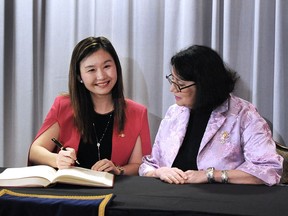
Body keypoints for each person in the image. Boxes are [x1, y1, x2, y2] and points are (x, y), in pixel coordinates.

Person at [139, 45, 283, 185]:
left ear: (204, 85)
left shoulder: (244, 115)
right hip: (170, 197)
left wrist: (210, 175)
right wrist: (160, 172)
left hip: (222, 201)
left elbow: (268, 170)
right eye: (172, 80)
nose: (172, 89)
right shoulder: (174, 113)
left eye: (180, 84)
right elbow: (149, 165)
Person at [28, 36, 152, 175]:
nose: (101, 76)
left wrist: (118, 170)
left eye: (107, 66)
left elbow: (140, 166)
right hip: (69, 192)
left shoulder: (137, 113)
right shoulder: (64, 106)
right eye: (91, 70)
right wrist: (57, 159)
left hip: (114, 193)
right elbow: (35, 150)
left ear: (116, 67)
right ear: (79, 76)